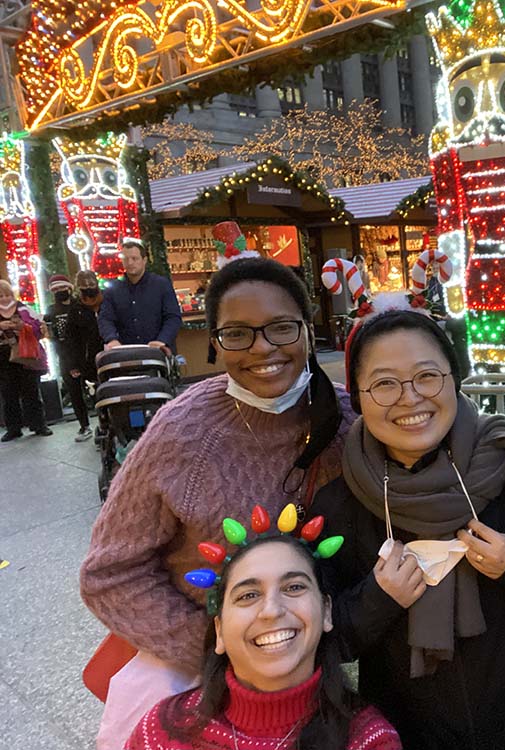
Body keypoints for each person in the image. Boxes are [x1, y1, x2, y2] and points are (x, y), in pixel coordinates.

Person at [80, 257, 356, 750]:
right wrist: (219, 650)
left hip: (328, 685)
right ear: (214, 342)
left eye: (281, 328)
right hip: (201, 688)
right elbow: (109, 572)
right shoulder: (180, 432)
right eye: (238, 334)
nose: (263, 348)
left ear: (308, 330)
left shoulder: (350, 419)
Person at [311, 308, 505, 750]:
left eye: (427, 376)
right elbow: (327, 641)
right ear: (358, 396)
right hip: (407, 735)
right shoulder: (340, 504)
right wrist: (378, 598)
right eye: (385, 383)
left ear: (454, 379)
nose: (410, 398)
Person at [127, 527, 402, 750]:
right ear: (219, 631)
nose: (272, 610)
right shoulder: (158, 734)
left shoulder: (370, 742)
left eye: (294, 587)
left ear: (326, 612)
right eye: (248, 595)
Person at [98, 240, 182, 353]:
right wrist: (111, 339)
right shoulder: (113, 289)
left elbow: (173, 317)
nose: (130, 263)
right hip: (125, 353)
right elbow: (105, 318)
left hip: (158, 352)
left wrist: (162, 340)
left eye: (134, 258)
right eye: (126, 259)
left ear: (144, 260)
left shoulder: (161, 285)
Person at [43, 274, 94, 441]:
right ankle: (84, 425)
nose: (59, 291)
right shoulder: (51, 311)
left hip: (84, 354)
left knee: (94, 388)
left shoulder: (80, 306)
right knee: (74, 393)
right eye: (55, 289)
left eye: (62, 288)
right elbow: (52, 336)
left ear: (69, 288)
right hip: (65, 356)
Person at [0, 279, 52, 441]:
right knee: (8, 394)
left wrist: (22, 327)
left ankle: (39, 424)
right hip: (2, 358)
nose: (5, 298)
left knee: (31, 391)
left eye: (7, 295)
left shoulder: (23, 308)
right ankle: (13, 428)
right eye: (1, 296)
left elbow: (38, 327)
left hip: (26, 355)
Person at [74, 269, 105, 385]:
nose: (88, 288)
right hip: (88, 357)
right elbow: (72, 337)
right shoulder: (76, 308)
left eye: (91, 284)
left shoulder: (107, 301)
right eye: (84, 285)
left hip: (108, 348)